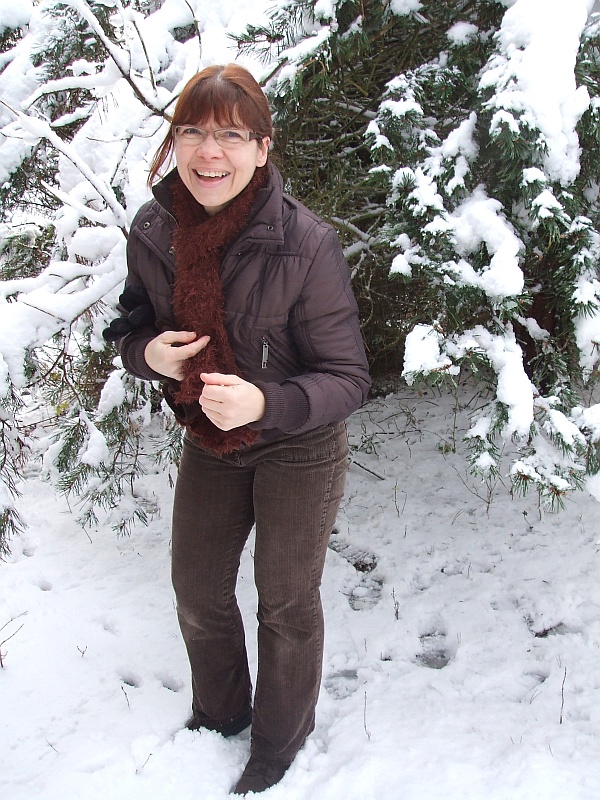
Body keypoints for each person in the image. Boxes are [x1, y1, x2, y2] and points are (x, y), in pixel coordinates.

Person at [108, 63, 371, 795]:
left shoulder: (304, 243)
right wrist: (147, 354)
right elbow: (131, 324)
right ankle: (220, 712)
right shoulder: (155, 229)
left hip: (298, 443)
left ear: (261, 148)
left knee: (284, 600)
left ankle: (280, 742)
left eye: (229, 135)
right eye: (192, 131)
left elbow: (348, 377)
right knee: (196, 587)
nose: (208, 152)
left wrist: (264, 404)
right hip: (210, 438)